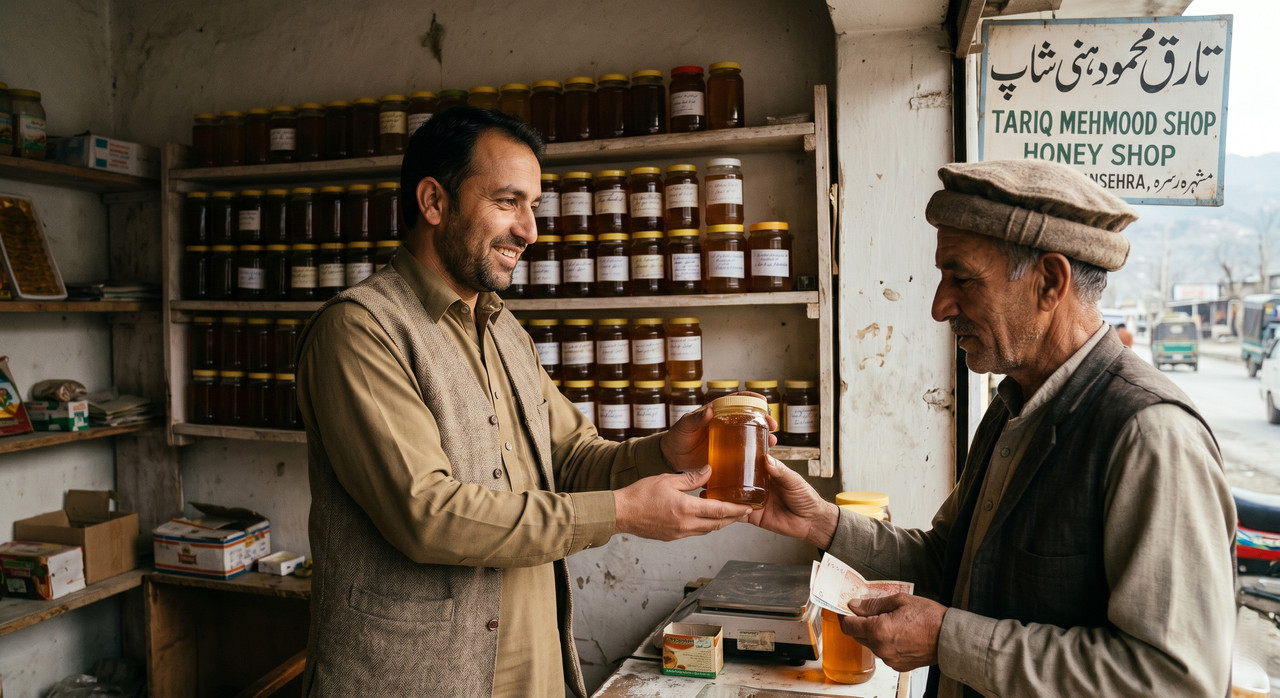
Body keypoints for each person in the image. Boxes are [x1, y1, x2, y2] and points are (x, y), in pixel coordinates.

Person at [295, 107, 755, 697]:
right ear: (433, 202)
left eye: (532, 206)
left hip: (534, 674)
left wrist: (664, 450)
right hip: (419, 680)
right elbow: (426, 514)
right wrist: (620, 512)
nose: (530, 230)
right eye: (508, 202)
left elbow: (571, 457)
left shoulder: (503, 329)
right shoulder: (360, 331)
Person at [750, 160, 1235, 697]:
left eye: (962, 279)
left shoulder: (1150, 436)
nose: (940, 307)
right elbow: (951, 562)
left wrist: (948, 641)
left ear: (1050, 282)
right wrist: (822, 524)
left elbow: (1172, 680)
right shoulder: (1012, 406)